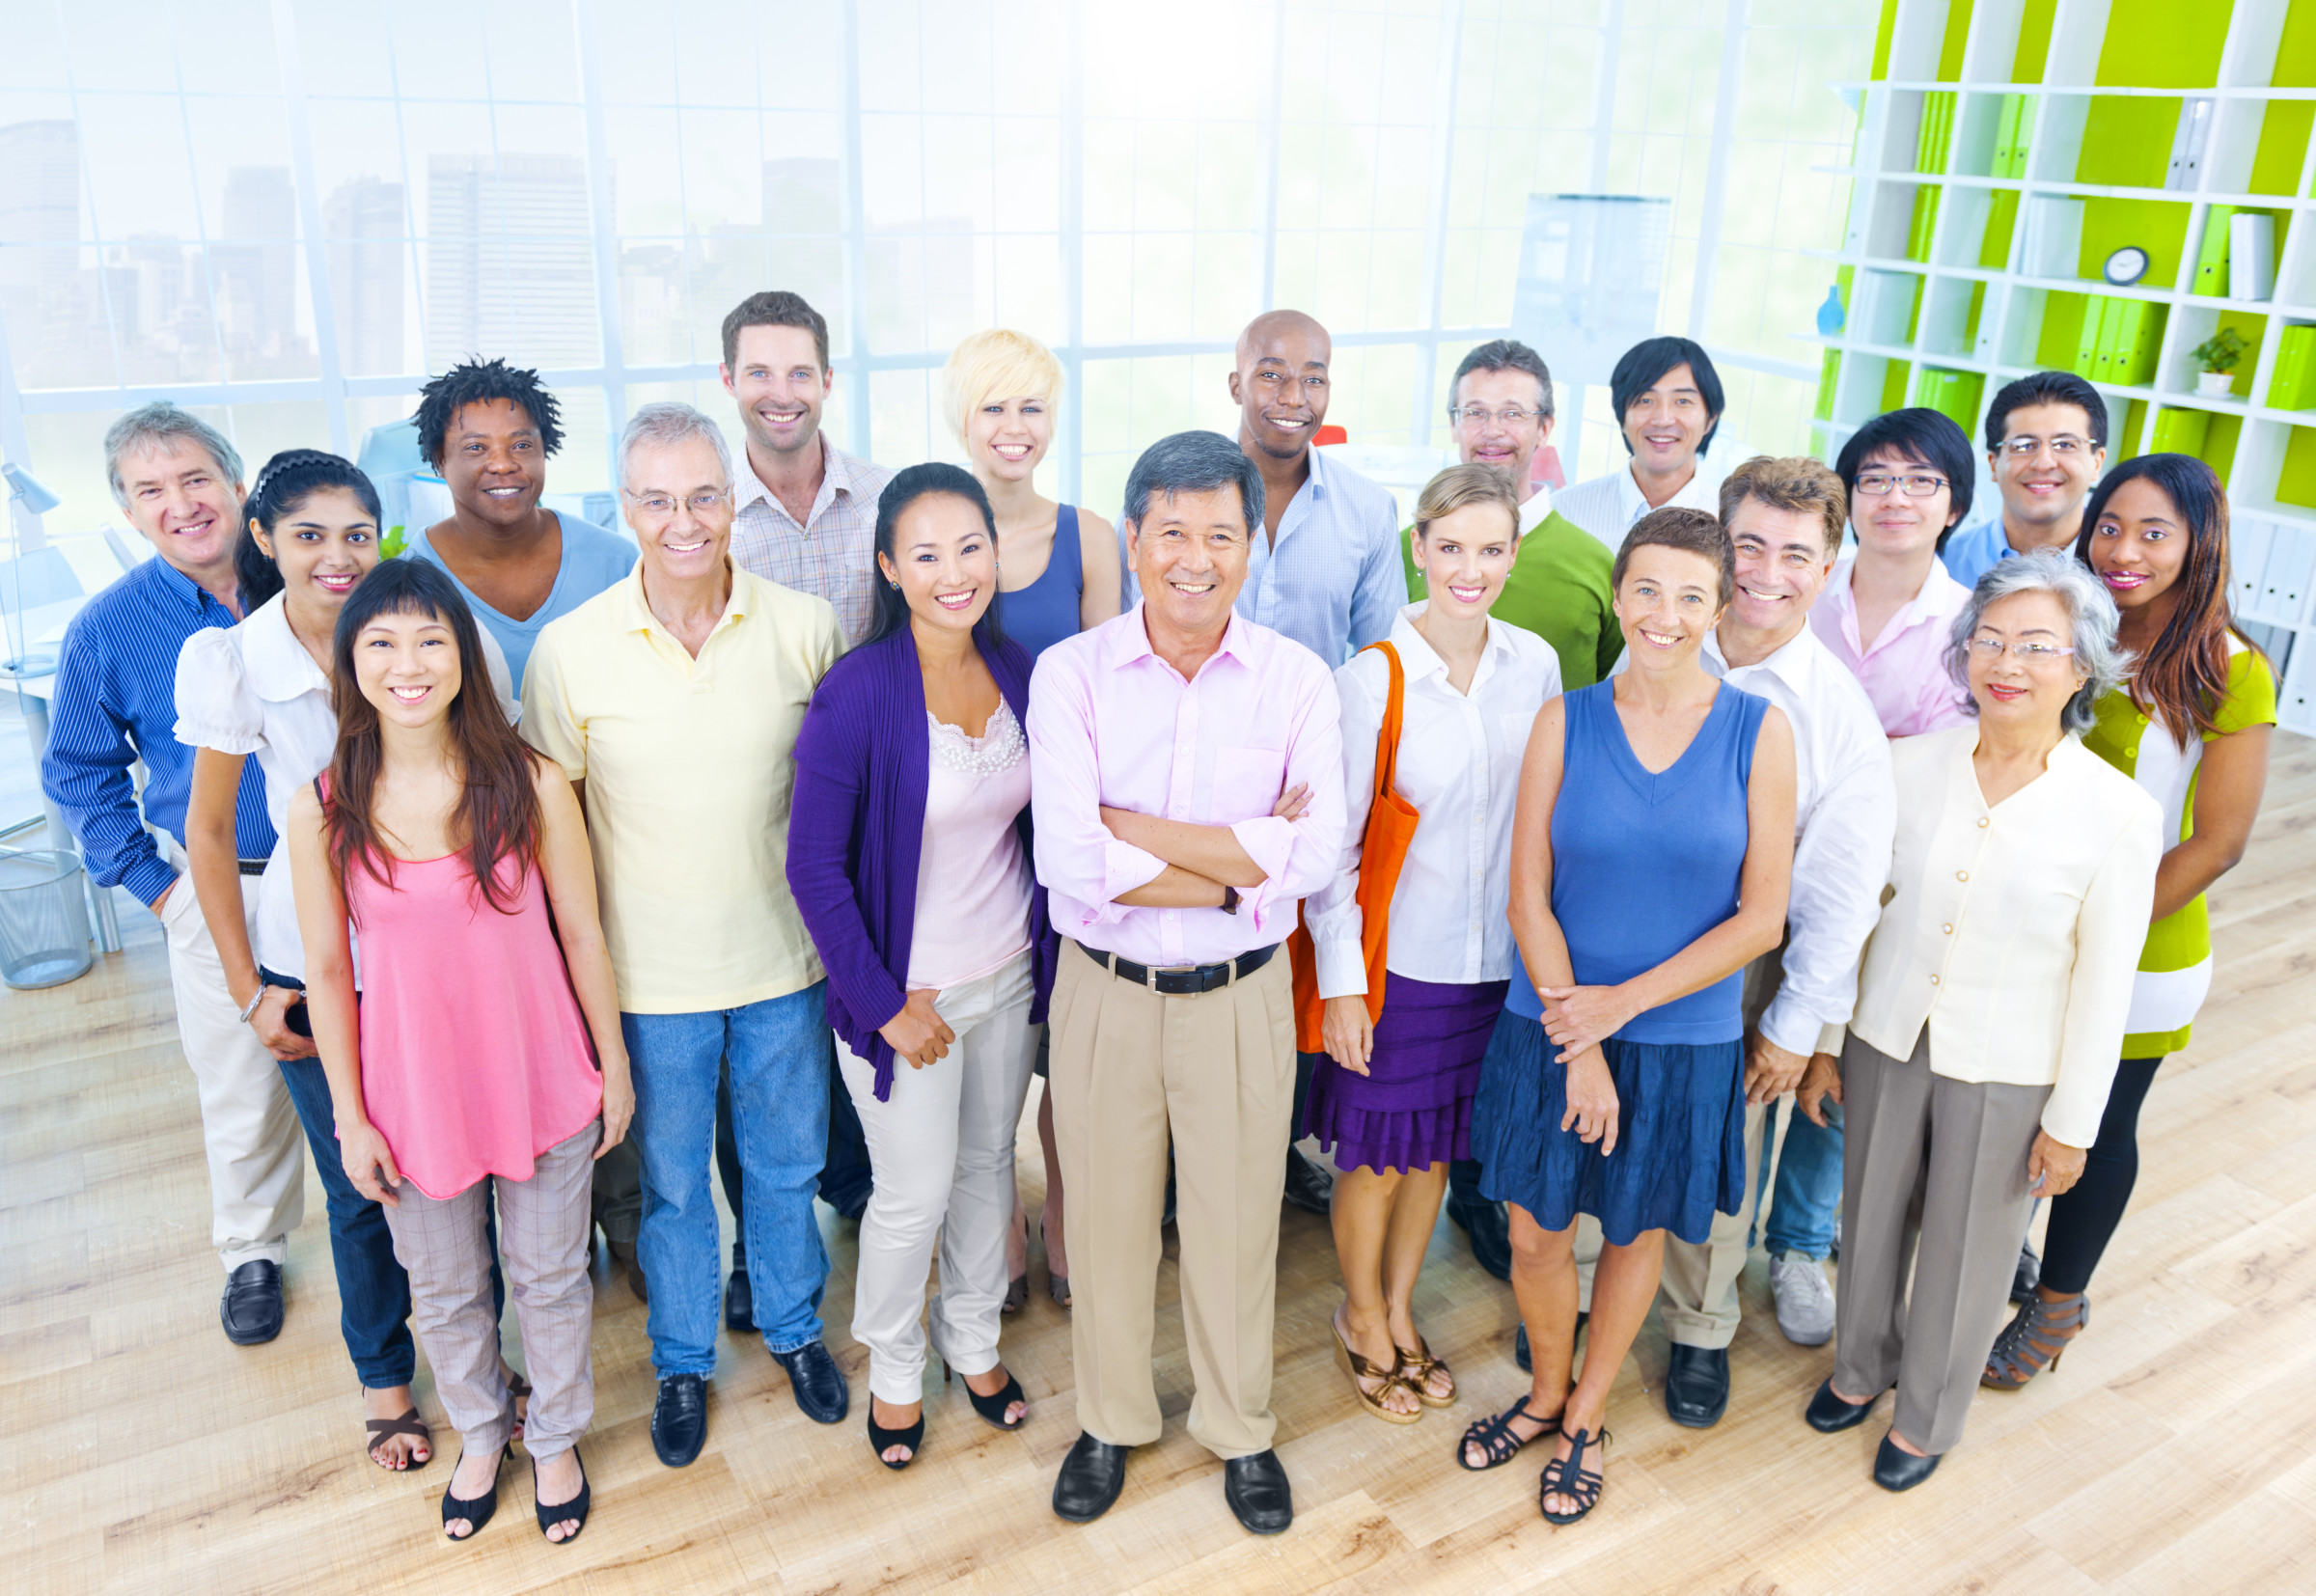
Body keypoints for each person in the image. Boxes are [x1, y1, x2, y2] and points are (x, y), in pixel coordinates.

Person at [173, 450, 515, 1471]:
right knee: (364, 1184)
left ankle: (493, 1371)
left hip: (445, 950)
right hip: (317, 958)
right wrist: (246, 989)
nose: (336, 556)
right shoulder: (234, 659)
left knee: (465, 1165)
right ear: (265, 540)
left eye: (357, 534)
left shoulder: (438, 638)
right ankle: (387, 1381)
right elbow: (203, 835)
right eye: (310, 535)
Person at [1030, 429, 1345, 1536]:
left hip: (1242, 998)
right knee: (1109, 1223)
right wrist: (1234, 867)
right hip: (1104, 994)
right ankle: (1110, 1420)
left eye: (1221, 533)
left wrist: (1142, 838)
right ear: (1134, 537)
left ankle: (1239, 1426)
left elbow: (1313, 860)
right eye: (1171, 531)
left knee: (1236, 1222)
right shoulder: (1069, 675)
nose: (1194, 557)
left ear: (1251, 546)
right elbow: (1068, 860)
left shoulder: (1299, 681)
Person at [522, 402, 847, 1468]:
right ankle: (682, 1363)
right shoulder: (570, 653)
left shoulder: (805, 627)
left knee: (787, 1166)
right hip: (647, 979)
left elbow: (837, 805)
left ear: (731, 501)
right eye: (658, 500)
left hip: (783, 962)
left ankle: (797, 1331)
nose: (685, 521)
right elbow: (554, 826)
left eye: (704, 495)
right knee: (670, 1186)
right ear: (628, 509)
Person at [1797, 552, 2161, 1492]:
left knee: (1969, 1251)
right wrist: (1828, 1043)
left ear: (2081, 667)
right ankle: (1859, 1366)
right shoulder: (1906, 766)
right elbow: (1856, 912)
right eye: (1990, 639)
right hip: (1885, 1036)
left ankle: (1926, 1416)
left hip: (2009, 1066)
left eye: (2038, 645)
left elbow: (2104, 984)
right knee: (1868, 1218)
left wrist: (2073, 1124)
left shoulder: (2117, 812)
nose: (2008, 661)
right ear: (1963, 656)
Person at [288, 558, 630, 1544]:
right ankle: (482, 1430)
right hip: (413, 1095)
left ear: (463, 655)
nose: (409, 663)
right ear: (352, 664)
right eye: (382, 643)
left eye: (430, 639)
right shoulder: (323, 803)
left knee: (551, 1276)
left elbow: (582, 933)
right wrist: (351, 1118)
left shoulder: (526, 778)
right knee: (443, 1288)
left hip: (542, 1075)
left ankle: (556, 1436)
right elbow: (323, 970)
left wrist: (612, 1067)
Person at [1463, 506, 1795, 1525]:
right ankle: (1547, 1388)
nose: (1665, 613)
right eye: (1646, 589)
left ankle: (1588, 1417)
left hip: (1678, 1040)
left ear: (1721, 605)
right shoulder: (1565, 721)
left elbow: (1761, 916)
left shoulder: (1759, 730)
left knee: (1638, 1231)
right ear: (1619, 594)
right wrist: (1582, 1033)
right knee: (1534, 1235)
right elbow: (1528, 896)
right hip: (1551, 1024)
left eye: (1691, 594)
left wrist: (1621, 1012)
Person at [1552, 458, 1894, 1421]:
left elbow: (1839, 891)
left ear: (1828, 567)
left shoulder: (1831, 714)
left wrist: (1794, 1025)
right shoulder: (1658, 646)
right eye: (1750, 544)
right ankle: (1583, 1297)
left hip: (1739, 968)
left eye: (1797, 553)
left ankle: (1701, 1329)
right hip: (1615, 948)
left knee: (1713, 1156)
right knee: (1601, 1128)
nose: (1768, 571)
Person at [1981, 455, 2274, 1389]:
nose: (2126, 551)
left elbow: (2217, 844)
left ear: (2200, 545)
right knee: (2023, 1111)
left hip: (2143, 944)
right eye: (2112, 526)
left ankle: (2059, 1302)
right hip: (2030, 931)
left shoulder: (2231, 668)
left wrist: (2095, 937)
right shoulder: (2068, 631)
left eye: (2156, 534)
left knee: (2100, 1125)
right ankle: (2001, 1259)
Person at [788, 463, 1052, 1470]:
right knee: (911, 1193)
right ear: (892, 567)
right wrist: (882, 1000)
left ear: (996, 552)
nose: (955, 572)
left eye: (971, 547)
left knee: (991, 1168)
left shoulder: (1020, 670)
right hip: (909, 994)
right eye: (928, 554)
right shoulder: (858, 692)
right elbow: (812, 866)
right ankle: (895, 1370)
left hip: (1008, 975)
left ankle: (973, 1341)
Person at [41, 402, 304, 1346]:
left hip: (351, 875)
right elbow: (76, 768)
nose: (180, 503)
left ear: (237, 485)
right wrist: (155, 885)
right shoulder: (107, 627)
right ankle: (252, 1252)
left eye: (195, 479)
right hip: (218, 881)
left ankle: (402, 1223)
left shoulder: (311, 578)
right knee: (241, 1079)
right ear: (127, 510)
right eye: (151, 491)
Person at [1306, 465, 1560, 1423]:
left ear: (1513, 555)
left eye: (1490, 548)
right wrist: (1341, 986)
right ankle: (1361, 1316)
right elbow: (1330, 851)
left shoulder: (1534, 664)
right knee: (1374, 1153)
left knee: (1435, 1154)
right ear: (1419, 547)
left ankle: (1403, 1308)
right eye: (1450, 546)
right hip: (1394, 966)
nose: (1469, 567)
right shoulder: (1371, 676)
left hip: (1491, 968)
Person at [401, 356, 646, 1303]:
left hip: (599, 855)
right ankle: (532, 1251)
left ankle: (625, 1226)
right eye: (475, 449)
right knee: (508, 1062)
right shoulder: (404, 575)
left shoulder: (610, 559)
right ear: (437, 459)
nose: (504, 464)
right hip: (478, 882)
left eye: (524, 444)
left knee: (601, 1039)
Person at [1403, 339, 1620, 1280]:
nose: (1493, 428)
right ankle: (1447, 1190)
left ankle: (1490, 1196)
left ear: (1544, 429)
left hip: (1541, 851)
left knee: (1510, 1049)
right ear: (1455, 425)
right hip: (1436, 849)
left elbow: (1616, 699)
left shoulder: (1588, 562)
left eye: (1513, 411)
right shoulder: (1416, 541)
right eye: (1475, 410)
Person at [942, 326, 1123, 1313]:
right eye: (994, 407)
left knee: (1070, 1050)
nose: (1014, 428)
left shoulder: (1091, 536)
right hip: (964, 831)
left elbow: (1111, 696)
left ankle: (1064, 1224)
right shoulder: (939, 531)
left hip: (1064, 826)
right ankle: (997, 1235)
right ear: (961, 420)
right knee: (992, 1056)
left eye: (1031, 408)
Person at [1212, 307, 1408, 1218]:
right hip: (1204, 778)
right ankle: (1189, 1161)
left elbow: (1379, 660)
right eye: (1273, 374)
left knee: (1297, 975)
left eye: (1314, 377)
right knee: (1212, 968)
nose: (1294, 396)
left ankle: (1279, 1145)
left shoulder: (1369, 509)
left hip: (1318, 780)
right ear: (1236, 381)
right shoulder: (1192, 498)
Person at [720, 288, 892, 1258]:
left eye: (799, 372)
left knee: (858, 988)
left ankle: (865, 1183)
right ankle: (764, 1241)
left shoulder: (884, 498)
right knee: (766, 1035)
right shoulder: (709, 519)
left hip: (871, 808)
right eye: (759, 372)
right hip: (746, 805)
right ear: (729, 381)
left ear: (827, 380)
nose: (780, 393)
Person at [1816, 408, 1978, 737]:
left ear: (1955, 508)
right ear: (1846, 501)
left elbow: (1945, 752)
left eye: (1921, 480)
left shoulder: (1974, 625)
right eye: (1875, 479)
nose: (1896, 498)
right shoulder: (1804, 591)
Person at [1553, 337, 1727, 551]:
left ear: (1710, 419)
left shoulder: (1730, 524)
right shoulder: (1564, 513)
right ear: (1622, 418)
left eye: (1683, 401)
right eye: (1645, 400)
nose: (1663, 419)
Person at [1940, 371, 2109, 590]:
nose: (2043, 463)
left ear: (2097, 463)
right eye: (2023, 446)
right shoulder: (1943, 565)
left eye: (2065, 445)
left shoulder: (2119, 570)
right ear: (1993, 464)